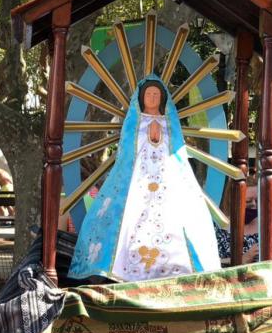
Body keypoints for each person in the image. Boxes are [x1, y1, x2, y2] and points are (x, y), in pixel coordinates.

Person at [69, 75, 222, 282]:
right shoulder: (134, 123)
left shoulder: (169, 123)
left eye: (155, 94)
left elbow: (176, 152)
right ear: (141, 98)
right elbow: (127, 153)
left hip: (168, 178)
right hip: (136, 179)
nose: (151, 98)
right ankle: (118, 270)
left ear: (162, 98)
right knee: (124, 219)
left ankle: (180, 268)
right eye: (148, 94)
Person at [215, 181, 272, 301]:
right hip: (236, 300)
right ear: (233, 200)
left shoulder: (269, 225)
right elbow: (209, 269)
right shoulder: (218, 229)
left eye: (257, 201)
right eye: (248, 201)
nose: (254, 205)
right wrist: (242, 260)